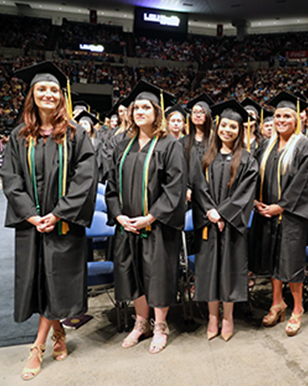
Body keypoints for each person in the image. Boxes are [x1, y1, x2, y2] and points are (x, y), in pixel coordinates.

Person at [1, 61, 97, 380]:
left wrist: (58, 213)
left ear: (62, 97)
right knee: (41, 283)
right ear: (32, 95)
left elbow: (85, 178)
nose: (48, 94)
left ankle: (37, 345)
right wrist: (30, 214)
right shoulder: (18, 136)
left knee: (56, 281)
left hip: (63, 224)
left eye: (54, 90)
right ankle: (59, 334)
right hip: (32, 226)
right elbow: (11, 179)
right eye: (42, 89)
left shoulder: (75, 134)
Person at [105, 81, 187, 354]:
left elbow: (174, 188)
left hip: (158, 227)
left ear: (156, 112)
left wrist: (150, 217)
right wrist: (118, 216)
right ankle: (141, 322)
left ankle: (160, 325)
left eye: (145, 107)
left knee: (158, 275)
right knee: (134, 274)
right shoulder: (122, 146)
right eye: (136, 107)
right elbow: (112, 187)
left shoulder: (169, 145)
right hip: (128, 225)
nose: (139, 111)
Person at [249, 91, 308, 336]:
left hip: (291, 216)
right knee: (272, 260)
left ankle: (298, 308)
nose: (281, 120)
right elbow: (254, 176)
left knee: (291, 263)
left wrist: (282, 206)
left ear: (296, 119)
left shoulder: (305, 146)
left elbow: (306, 182)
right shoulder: (266, 146)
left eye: (287, 116)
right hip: (267, 213)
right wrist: (256, 201)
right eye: (277, 115)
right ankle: (277, 302)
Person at [191, 100, 259, 341]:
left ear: (240, 131)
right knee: (209, 270)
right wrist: (211, 212)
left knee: (230, 269)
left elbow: (245, 192)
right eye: (224, 125)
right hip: (208, 225)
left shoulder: (248, 160)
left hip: (231, 225)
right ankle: (212, 317)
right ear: (218, 126)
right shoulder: (204, 156)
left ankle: (228, 317)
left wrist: (223, 214)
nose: (227, 130)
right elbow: (198, 187)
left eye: (233, 127)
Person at [184, 93, 215, 201]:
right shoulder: (183, 141)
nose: (198, 115)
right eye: (195, 112)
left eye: (202, 112)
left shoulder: (215, 140)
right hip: (188, 194)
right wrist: (186, 188)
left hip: (211, 192)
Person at [76, 111, 105, 182]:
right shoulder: (75, 142)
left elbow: (98, 163)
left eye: (85, 124)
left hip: (92, 177)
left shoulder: (97, 143)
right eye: (80, 124)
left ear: (91, 126)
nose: (82, 126)